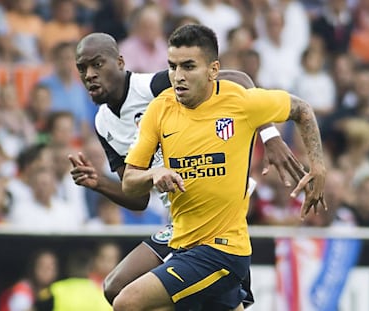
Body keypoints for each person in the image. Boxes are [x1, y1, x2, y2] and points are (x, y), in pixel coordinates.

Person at [71, 32, 308, 308]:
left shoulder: (155, 85)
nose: (89, 74)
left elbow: (240, 81)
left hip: (216, 211)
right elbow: (137, 197)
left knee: (122, 292)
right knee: (118, 289)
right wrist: (99, 182)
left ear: (120, 62)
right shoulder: (103, 124)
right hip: (180, 219)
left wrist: (269, 135)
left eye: (97, 64)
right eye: (82, 68)